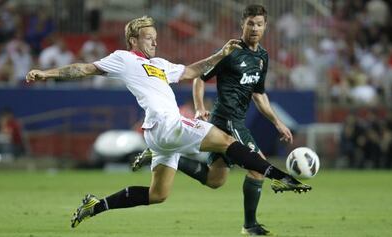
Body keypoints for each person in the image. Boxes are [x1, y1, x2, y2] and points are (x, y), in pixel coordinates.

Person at [25, 16, 311, 231]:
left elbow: (190, 71)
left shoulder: (160, 64)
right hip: (166, 125)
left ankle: (96, 205)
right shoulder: (123, 59)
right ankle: (279, 175)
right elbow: (83, 68)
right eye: (149, 37)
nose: (154, 41)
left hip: (158, 135)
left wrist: (221, 54)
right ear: (134, 40)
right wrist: (46, 74)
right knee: (226, 140)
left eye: (155, 37)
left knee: (157, 194)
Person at [133, 5, 297, 236]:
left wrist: (277, 122)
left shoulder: (262, 57)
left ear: (265, 27)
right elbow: (199, 78)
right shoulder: (230, 52)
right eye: (250, 23)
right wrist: (200, 108)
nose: (255, 28)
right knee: (258, 168)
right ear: (242, 24)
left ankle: (172, 157)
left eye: (259, 24)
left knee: (215, 180)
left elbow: (258, 94)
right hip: (227, 119)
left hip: (238, 119)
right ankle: (250, 226)